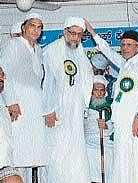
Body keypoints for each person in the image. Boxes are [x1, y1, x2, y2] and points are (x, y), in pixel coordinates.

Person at [85, 20, 138, 183]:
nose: (125, 47)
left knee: (136, 156)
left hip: (135, 120)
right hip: (121, 120)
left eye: (129, 44)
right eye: (123, 44)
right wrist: (92, 33)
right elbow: (107, 51)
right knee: (122, 157)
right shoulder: (125, 64)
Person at [43, 16, 93, 183]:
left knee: (76, 153)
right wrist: (48, 109)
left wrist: (83, 108)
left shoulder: (79, 53)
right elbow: (46, 82)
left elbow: (87, 80)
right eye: (72, 33)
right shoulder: (51, 51)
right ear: (64, 32)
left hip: (75, 113)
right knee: (58, 154)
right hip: (57, 112)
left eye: (79, 35)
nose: (75, 38)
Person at [0, 13, 47, 182]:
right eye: (32, 26)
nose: (36, 30)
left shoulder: (39, 50)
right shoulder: (13, 45)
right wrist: (11, 102)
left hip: (34, 111)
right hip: (17, 108)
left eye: (39, 27)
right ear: (24, 28)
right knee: (15, 156)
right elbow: (3, 73)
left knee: (30, 157)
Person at [84, 75, 114, 183]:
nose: (99, 93)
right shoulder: (85, 105)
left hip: (105, 141)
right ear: (91, 92)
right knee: (87, 151)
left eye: (102, 90)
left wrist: (106, 126)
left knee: (109, 153)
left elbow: (115, 124)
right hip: (89, 140)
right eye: (96, 90)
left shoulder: (110, 105)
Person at [0, 67, 23, 183]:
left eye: (2, 75)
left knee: (15, 180)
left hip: (5, 163)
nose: (1, 76)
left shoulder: (3, 104)